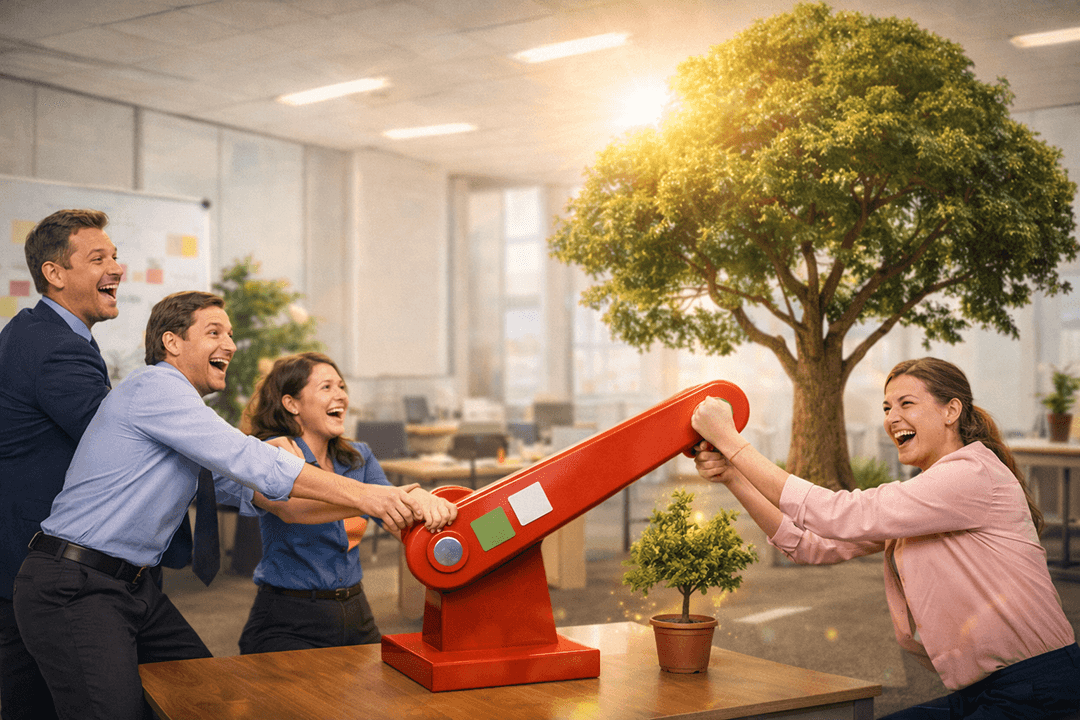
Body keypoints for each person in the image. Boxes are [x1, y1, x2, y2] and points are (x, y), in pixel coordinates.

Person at [12, 291, 457, 720]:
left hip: (132, 587)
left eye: (230, 334)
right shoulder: (156, 388)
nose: (230, 344)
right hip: (76, 584)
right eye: (214, 333)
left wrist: (398, 501)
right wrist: (372, 496)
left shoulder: (183, 422)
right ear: (172, 342)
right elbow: (250, 459)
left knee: (208, 697)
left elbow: (271, 497)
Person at [691, 357, 1079, 719]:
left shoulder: (970, 475)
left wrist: (731, 441)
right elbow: (811, 546)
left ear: (951, 410)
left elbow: (835, 514)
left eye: (906, 404)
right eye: (887, 408)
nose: (892, 418)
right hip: (984, 690)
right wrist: (733, 477)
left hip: (1037, 686)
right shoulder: (929, 494)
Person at [0, 209, 122, 720]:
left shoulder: (39, 331)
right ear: (55, 273)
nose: (116, 267)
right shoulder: (55, 349)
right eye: (98, 258)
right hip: (38, 562)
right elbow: (119, 447)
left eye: (115, 255)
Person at [236, 352, 430, 652]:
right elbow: (292, 509)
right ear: (292, 404)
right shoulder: (274, 453)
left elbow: (398, 518)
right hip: (289, 617)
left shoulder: (358, 456)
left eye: (341, 386)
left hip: (356, 610)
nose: (340, 395)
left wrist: (428, 511)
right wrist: (372, 499)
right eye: (326, 387)